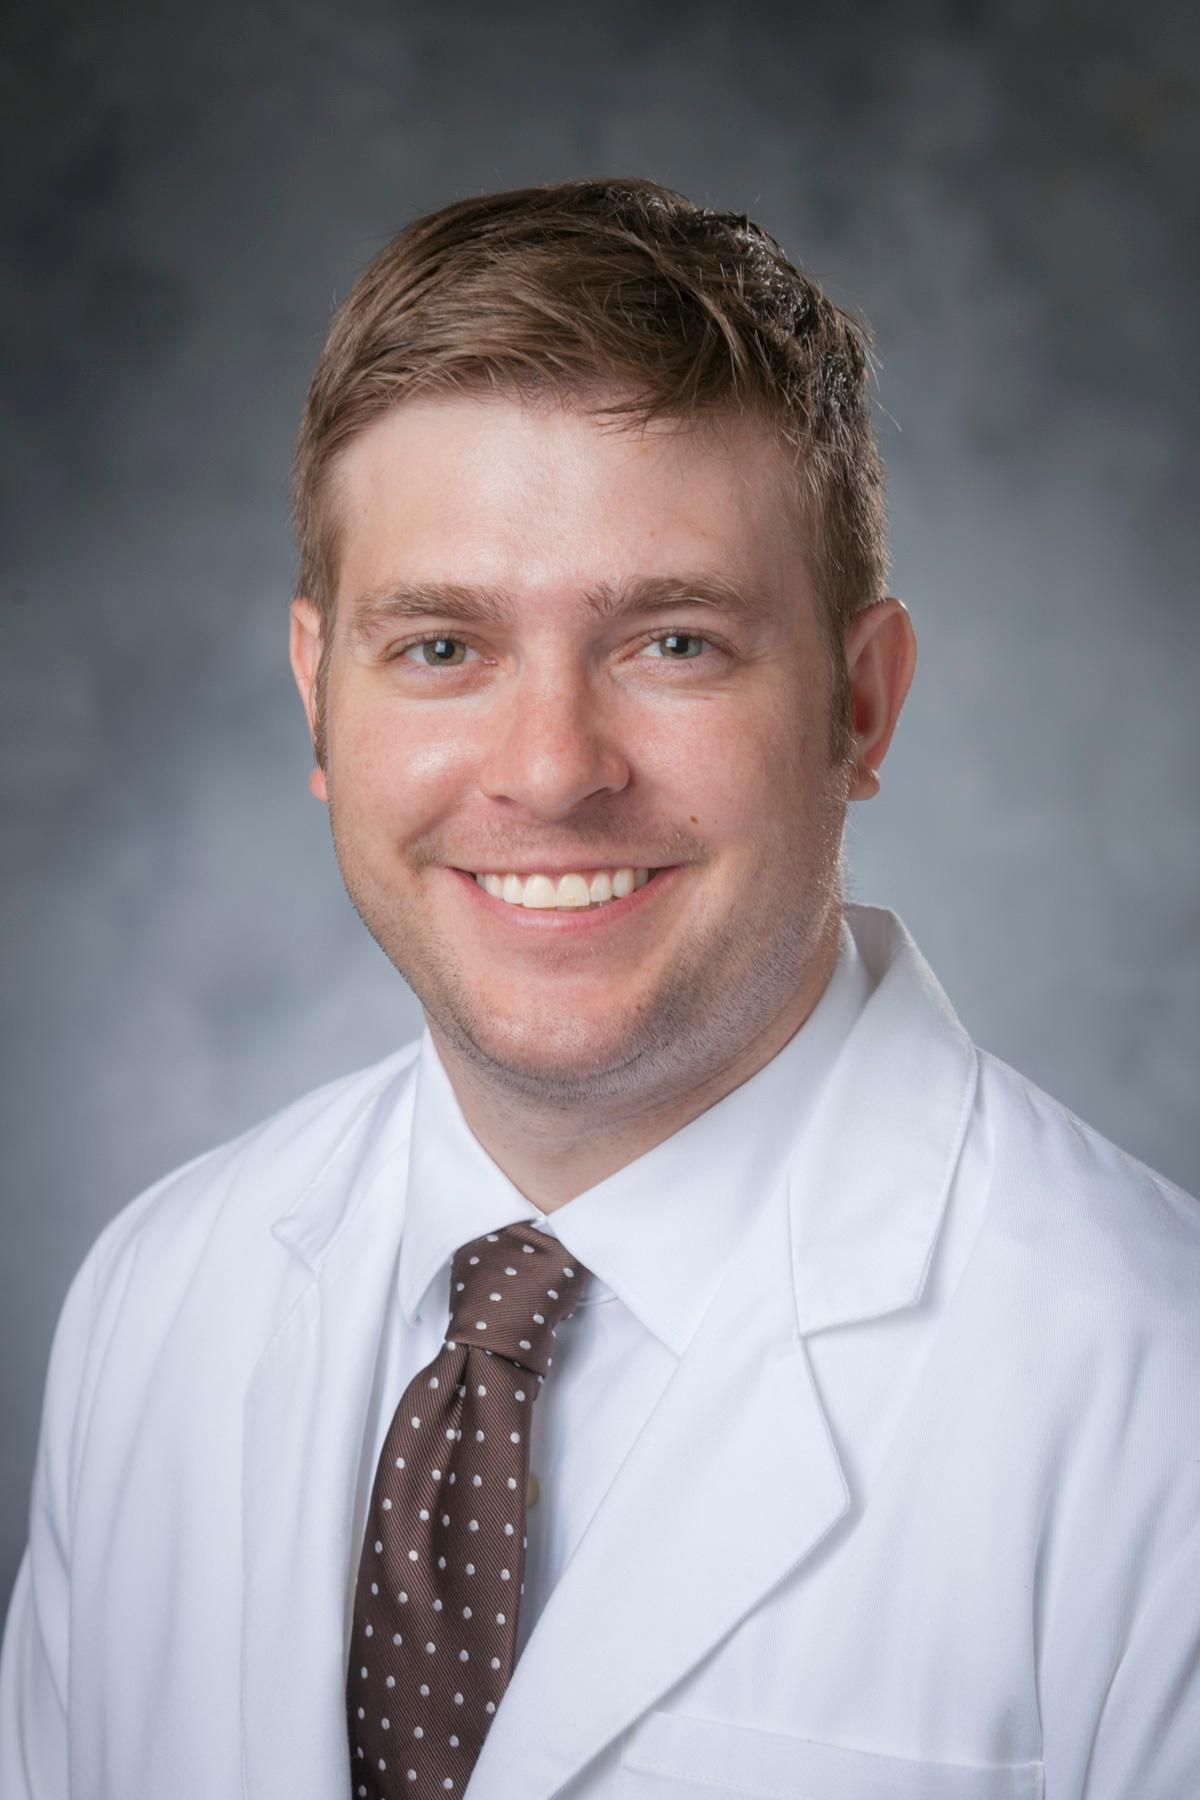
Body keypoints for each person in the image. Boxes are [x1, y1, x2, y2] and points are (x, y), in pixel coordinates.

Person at [1, 178, 1196, 1800]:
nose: (553, 770)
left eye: (673, 642)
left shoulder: (1151, 1395)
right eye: (442, 647)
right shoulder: (155, 1300)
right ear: (318, 693)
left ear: (860, 705)